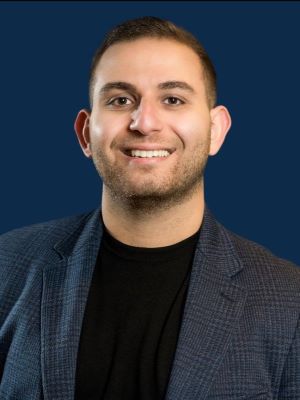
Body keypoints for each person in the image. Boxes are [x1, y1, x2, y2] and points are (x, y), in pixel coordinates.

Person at [0, 15, 299, 400]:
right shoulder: (8, 265)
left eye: (173, 99)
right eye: (120, 100)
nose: (144, 123)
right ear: (85, 133)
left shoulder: (288, 300)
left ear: (216, 130)